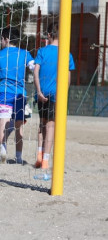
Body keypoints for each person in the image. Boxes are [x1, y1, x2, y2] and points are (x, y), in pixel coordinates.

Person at [0, 26, 35, 164]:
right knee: (19, 126)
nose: (1, 42)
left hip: (4, 92)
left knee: (3, 123)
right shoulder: (24, 53)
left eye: (1, 39)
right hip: (20, 94)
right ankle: (18, 157)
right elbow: (33, 67)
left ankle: (3, 152)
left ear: (6, 39)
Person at [32, 26, 75, 170]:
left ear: (49, 35)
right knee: (51, 126)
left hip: (42, 92)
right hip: (57, 94)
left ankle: (39, 154)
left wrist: (38, 90)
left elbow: (36, 72)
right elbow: (68, 77)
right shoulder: (66, 54)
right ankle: (45, 160)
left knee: (42, 124)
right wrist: (64, 94)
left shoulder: (42, 51)